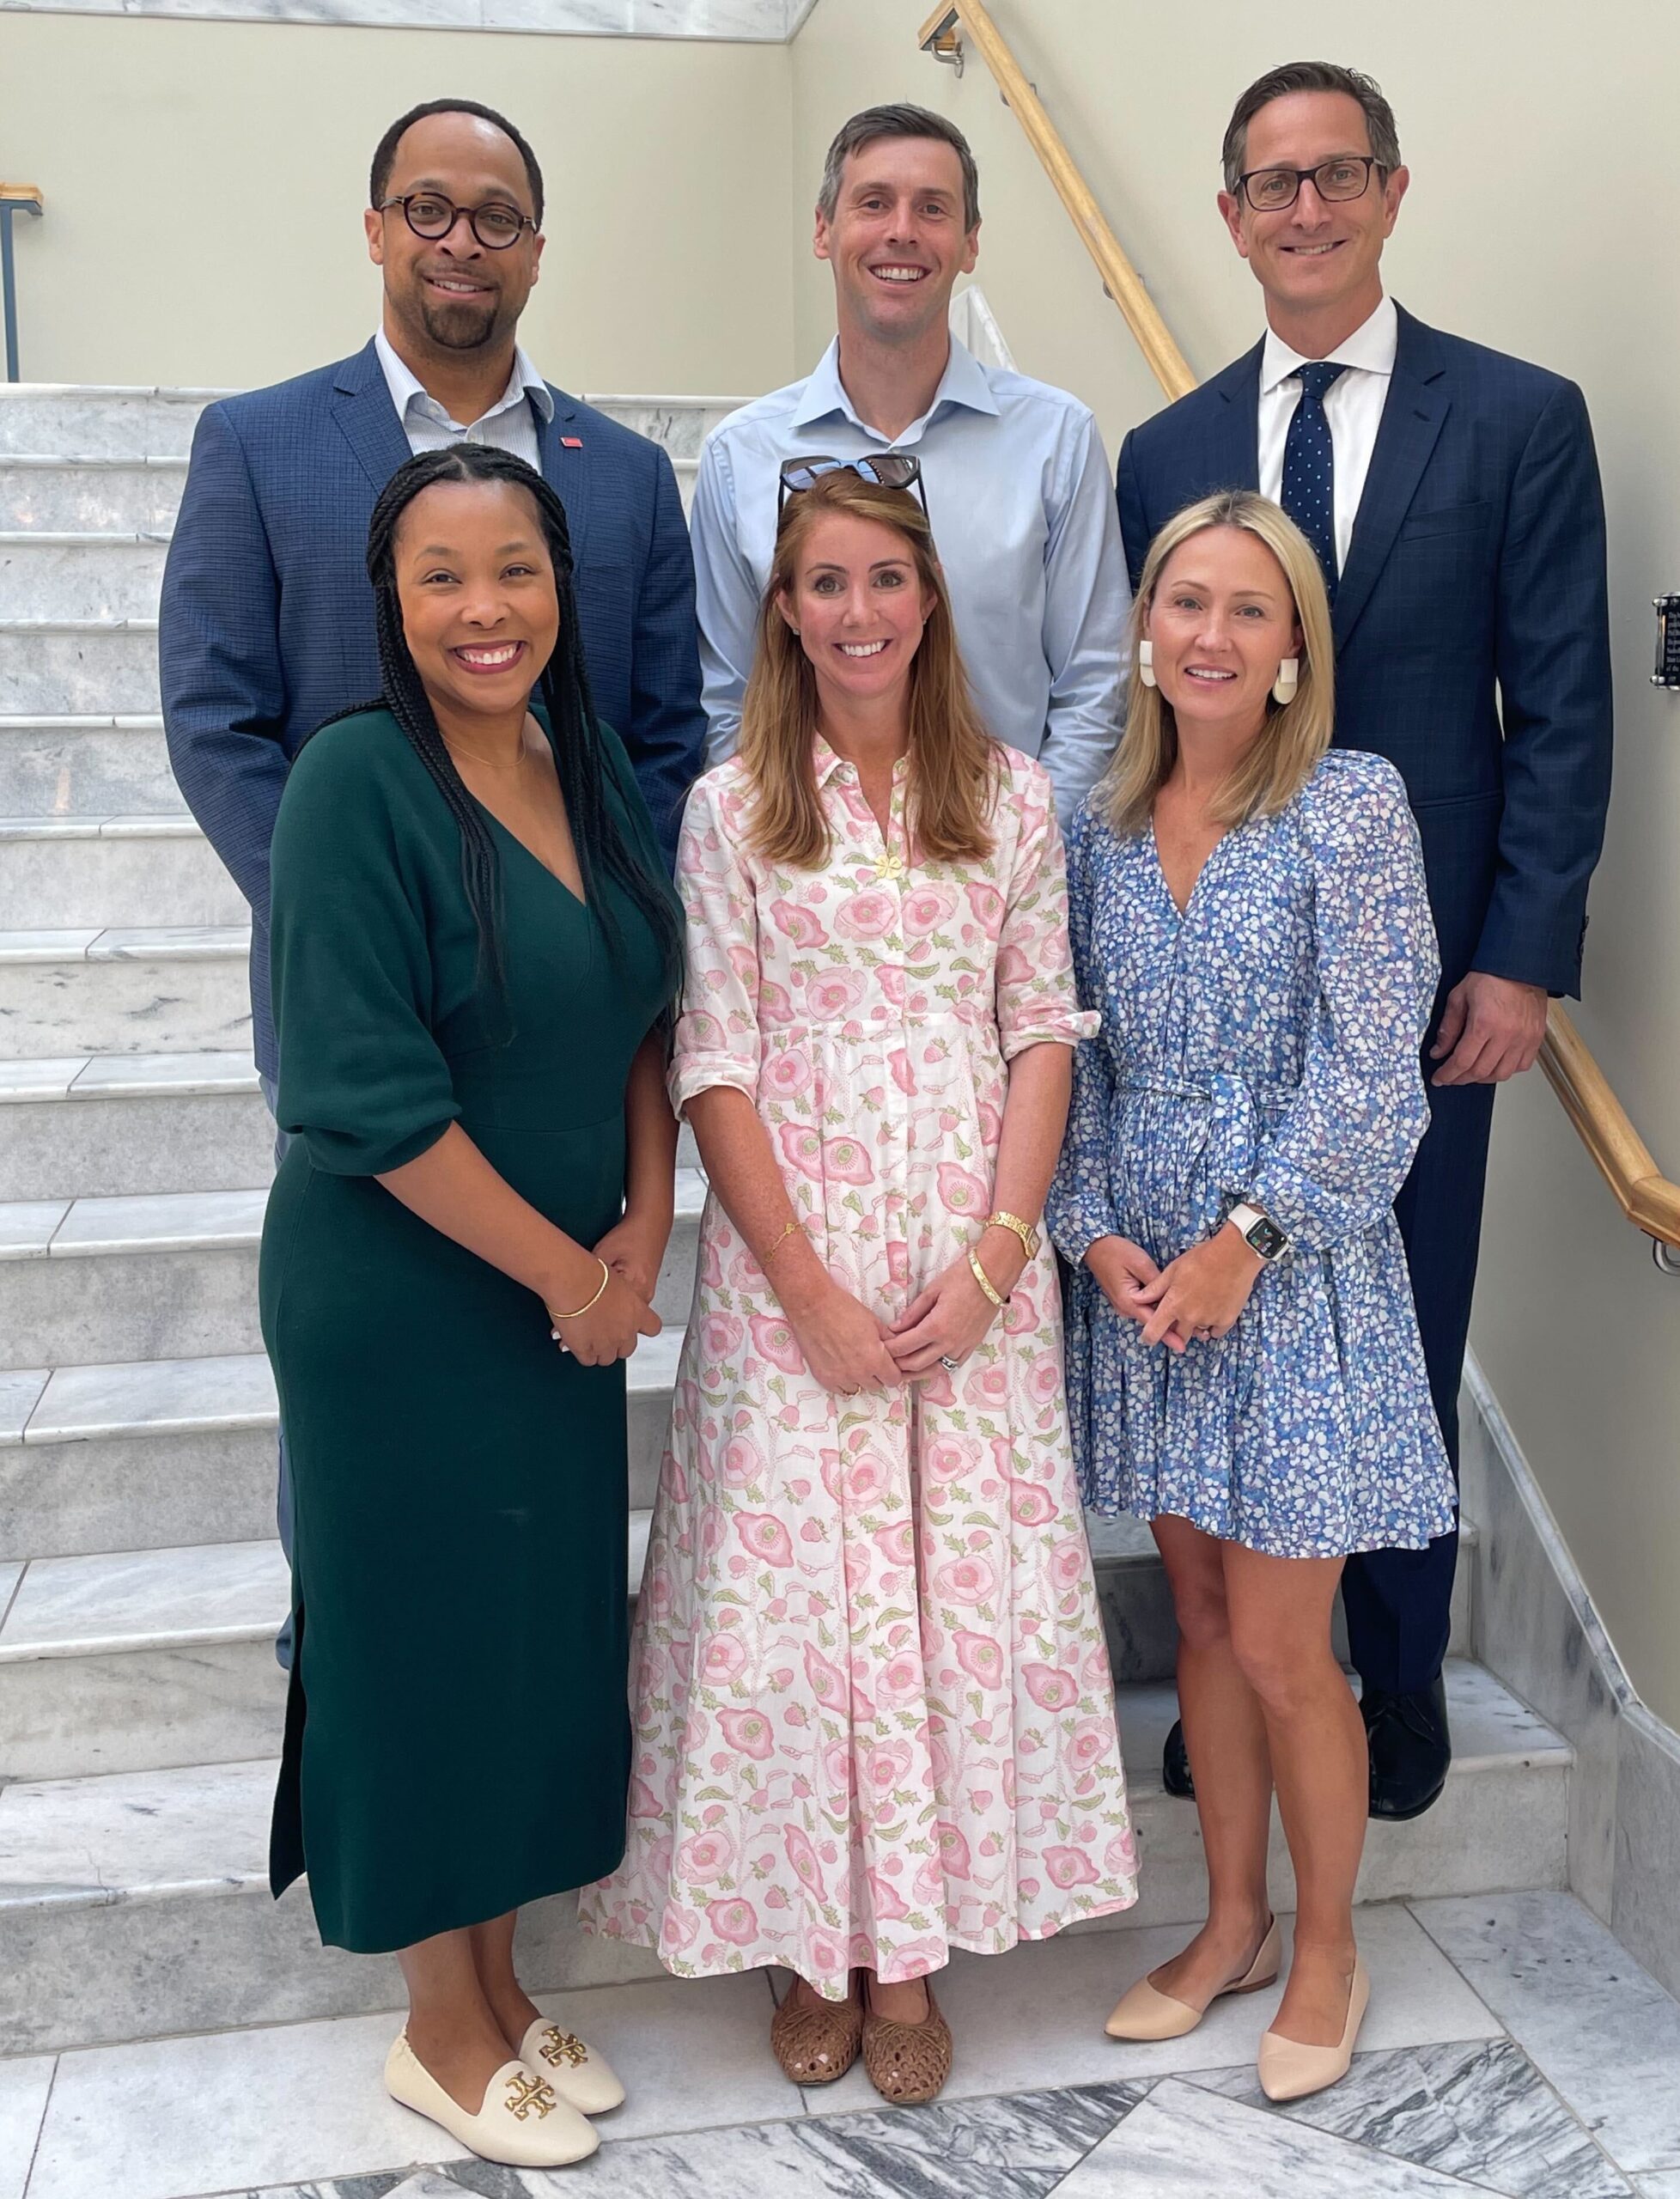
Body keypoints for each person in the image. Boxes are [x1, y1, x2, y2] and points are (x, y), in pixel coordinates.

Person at [581, 465, 1135, 2103]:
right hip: (790, 1262)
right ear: (781, 609)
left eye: (886, 579)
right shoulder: (731, 806)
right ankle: (808, 1933)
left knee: (943, 1612)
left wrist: (992, 1255)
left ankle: (913, 1954)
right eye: (825, 583)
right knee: (804, 1610)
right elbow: (714, 1057)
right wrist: (807, 1290)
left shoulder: (1017, 799)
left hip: (968, 1254)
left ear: (930, 599)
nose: (860, 612)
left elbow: (1042, 1030)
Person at [1116, 61, 1612, 1819]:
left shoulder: (1517, 418)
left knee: (1399, 1315)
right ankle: (1252, 1682)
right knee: (1237, 1321)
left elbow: (1558, 700)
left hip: (1426, 986)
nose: (1305, 208)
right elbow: (1164, 705)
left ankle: (1387, 1670)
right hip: (1218, 986)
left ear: (1393, 194)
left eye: (1338, 176)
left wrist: (1524, 951)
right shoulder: (1167, 451)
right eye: (1272, 181)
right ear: (1233, 211)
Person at [161, 96, 705, 1668]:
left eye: (497, 215)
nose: (462, 240)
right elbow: (215, 718)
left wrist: (592, 940)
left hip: (564, 1033)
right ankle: (349, 1659)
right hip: (374, 1021)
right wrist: (371, 928)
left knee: (535, 1399)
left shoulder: (614, 472)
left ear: (537, 245)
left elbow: (660, 737)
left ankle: (517, 1697)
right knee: (383, 1391)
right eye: (430, 208)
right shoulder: (262, 443)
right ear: (379, 225)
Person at [260, 444, 683, 2169]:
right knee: (427, 1642)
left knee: (523, 1645)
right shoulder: (353, 784)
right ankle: (438, 2029)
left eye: (513, 568)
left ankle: (502, 1989)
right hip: (408, 1306)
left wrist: (648, 1229)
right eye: (442, 576)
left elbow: (653, 1010)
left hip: (568, 1301)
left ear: (560, 585)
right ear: (393, 601)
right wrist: (577, 1271)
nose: (484, 608)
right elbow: (365, 1098)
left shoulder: (589, 769)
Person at [1049, 490, 1452, 2101]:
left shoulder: (1348, 808)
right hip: (1149, 1283)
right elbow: (1070, 1056)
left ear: (1293, 651)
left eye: (1248, 610)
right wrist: (1090, 1232)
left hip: (1293, 1281)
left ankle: (1333, 1945)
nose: (1211, 635)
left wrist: (1247, 1241)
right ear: (1146, 631)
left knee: (1290, 1643)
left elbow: (1376, 1071)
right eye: (1185, 602)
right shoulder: (1096, 818)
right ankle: (1230, 1923)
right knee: (1201, 1620)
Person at [691, 101, 1126, 826]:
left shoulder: (1057, 440)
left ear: (970, 242)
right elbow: (732, 696)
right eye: (873, 203)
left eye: (933, 208)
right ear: (824, 230)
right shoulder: (742, 457)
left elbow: (1096, 684)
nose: (902, 231)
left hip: (1008, 891)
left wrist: (1027, 858)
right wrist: (787, 863)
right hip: (810, 895)